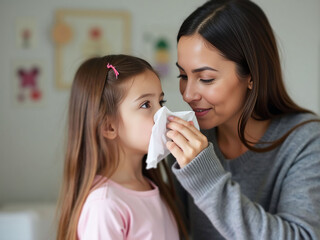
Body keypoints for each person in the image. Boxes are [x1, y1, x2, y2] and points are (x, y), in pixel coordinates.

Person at [166, 0, 320, 239]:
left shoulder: (305, 141)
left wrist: (204, 176)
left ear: (252, 75)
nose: (187, 95)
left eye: (205, 78)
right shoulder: (188, 139)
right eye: (182, 75)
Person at [56, 54, 188, 240]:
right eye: (145, 105)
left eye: (161, 102)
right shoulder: (104, 205)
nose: (163, 114)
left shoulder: (155, 187)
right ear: (109, 127)